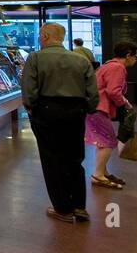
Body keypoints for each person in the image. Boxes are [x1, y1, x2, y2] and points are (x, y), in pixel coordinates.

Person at [21, 22, 98, 223]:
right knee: (74, 159)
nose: (39, 38)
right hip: (75, 112)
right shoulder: (80, 60)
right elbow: (93, 93)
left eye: (39, 35)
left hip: (46, 111)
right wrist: (85, 109)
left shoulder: (36, 58)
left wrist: (32, 108)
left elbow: (29, 90)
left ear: (45, 36)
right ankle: (80, 206)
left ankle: (62, 208)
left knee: (51, 159)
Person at [85, 40, 137, 189]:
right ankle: (98, 175)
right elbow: (113, 91)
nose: (136, 60)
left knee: (103, 141)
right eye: (136, 57)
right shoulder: (117, 68)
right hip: (99, 109)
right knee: (109, 141)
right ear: (128, 55)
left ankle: (103, 171)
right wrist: (125, 104)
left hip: (94, 108)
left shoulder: (108, 65)